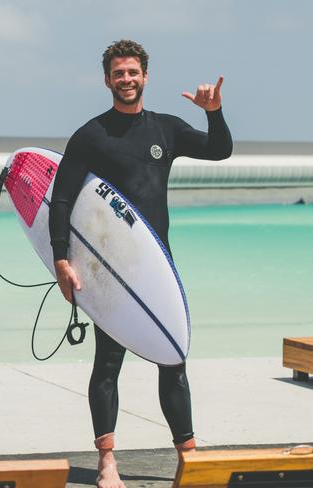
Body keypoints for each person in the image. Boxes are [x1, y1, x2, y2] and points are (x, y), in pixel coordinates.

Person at [49, 39, 232, 488]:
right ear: (107, 79)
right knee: (108, 363)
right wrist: (61, 259)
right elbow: (62, 199)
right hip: (109, 269)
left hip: (157, 266)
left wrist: (214, 111)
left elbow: (220, 150)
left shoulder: (165, 129)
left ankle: (187, 458)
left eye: (133, 72)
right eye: (118, 73)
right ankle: (107, 461)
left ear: (145, 77)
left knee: (173, 360)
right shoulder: (91, 135)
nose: (126, 80)